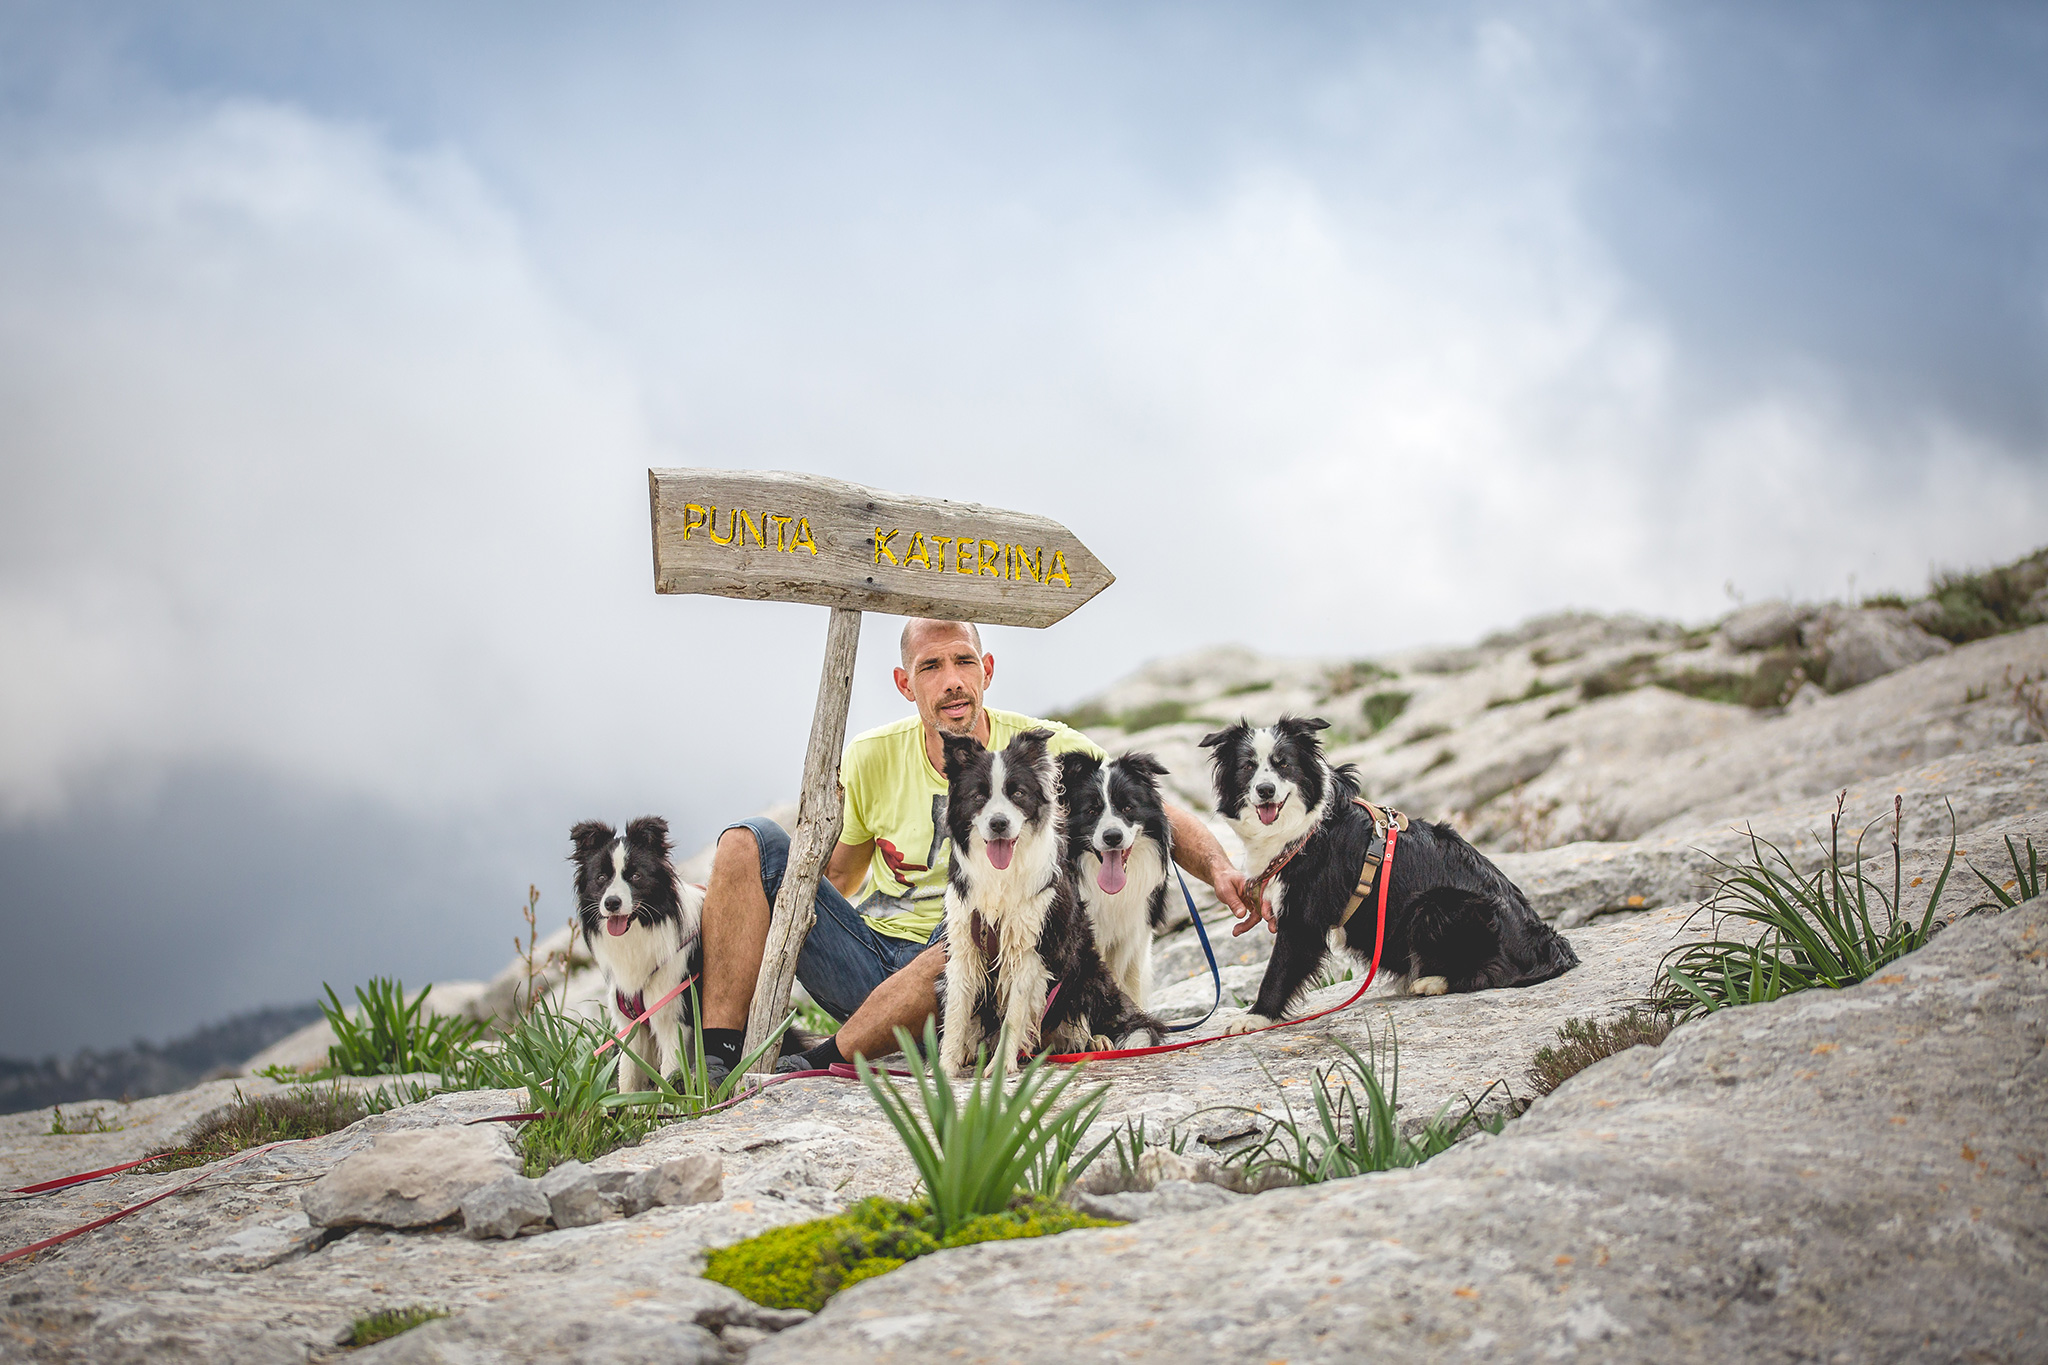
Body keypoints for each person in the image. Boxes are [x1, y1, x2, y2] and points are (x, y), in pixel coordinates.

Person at [690, 617, 1256, 1081]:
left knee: (975, 923)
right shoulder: (869, 756)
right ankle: (717, 1057)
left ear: (986, 670)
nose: (951, 680)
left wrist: (1221, 870)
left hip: (972, 977)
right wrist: (721, 908)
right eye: (930, 667)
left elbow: (1147, 808)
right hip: (871, 963)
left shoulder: (1043, 749)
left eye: (963, 661)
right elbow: (835, 877)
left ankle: (819, 1061)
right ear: (904, 683)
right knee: (748, 842)